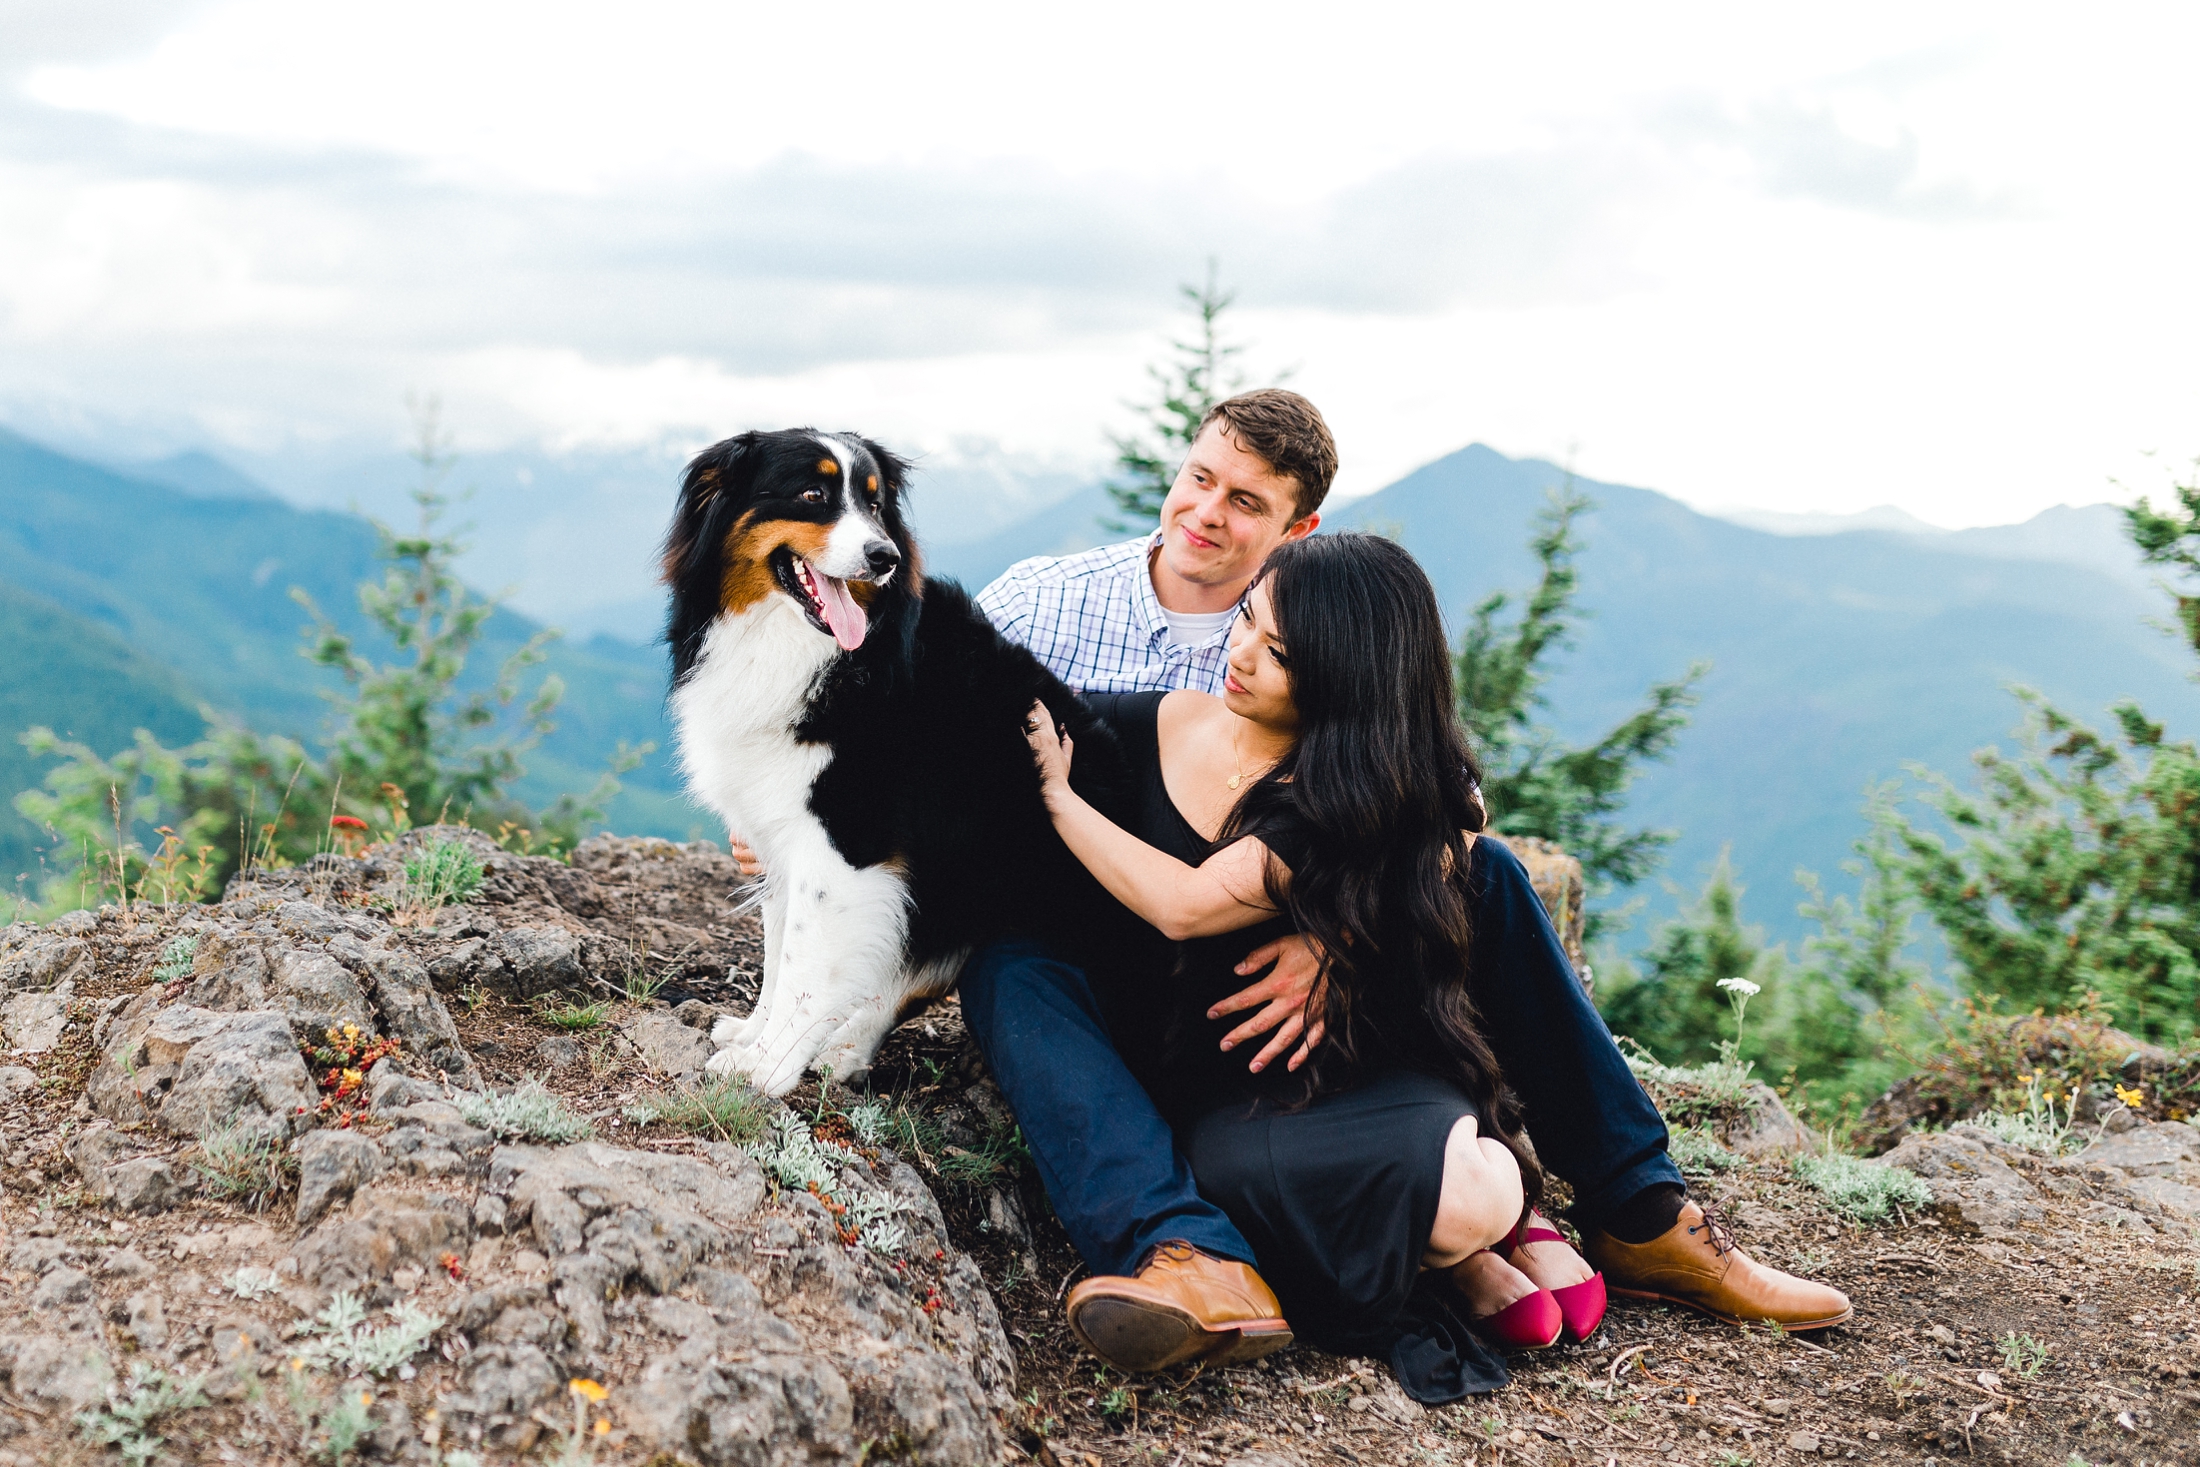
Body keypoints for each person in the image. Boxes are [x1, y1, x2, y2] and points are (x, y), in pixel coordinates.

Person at [961, 390, 1850, 1379]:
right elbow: (950, 721)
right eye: (1199, 480)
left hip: (1297, 1007)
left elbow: (1444, 806)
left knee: (1493, 877)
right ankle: (1187, 1251)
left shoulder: (1331, 692)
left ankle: (1641, 1211)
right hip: (1138, 980)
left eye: (1246, 504)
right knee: (1008, 957)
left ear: (1295, 538)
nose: (1207, 515)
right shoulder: (1058, 614)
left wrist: (1337, 924)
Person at [1021, 533, 1621, 1395]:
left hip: (1356, 1073)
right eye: (1247, 624)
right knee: (1250, 1182)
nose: (1240, 656)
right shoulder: (1150, 721)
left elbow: (1188, 902)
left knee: (1470, 1195)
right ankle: (1447, 1258)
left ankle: (1510, 1218)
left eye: (1280, 655)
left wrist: (1056, 796)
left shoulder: (1330, 796)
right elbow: (1015, 717)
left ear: (1343, 680)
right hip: (1229, 1094)